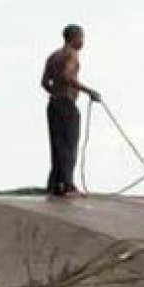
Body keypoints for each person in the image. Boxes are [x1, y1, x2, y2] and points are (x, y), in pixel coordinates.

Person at [41, 24, 102, 199]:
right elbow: (68, 76)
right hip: (67, 105)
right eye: (81, 37)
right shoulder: (71, 54)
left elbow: (44, 82)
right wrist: (89, 91)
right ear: (74, 37)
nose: (83, 41)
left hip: (54, 104)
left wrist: (55, 93)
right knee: (69, 145)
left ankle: (56, 185)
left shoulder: (53, 56)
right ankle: (67, 186)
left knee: (57, 146)